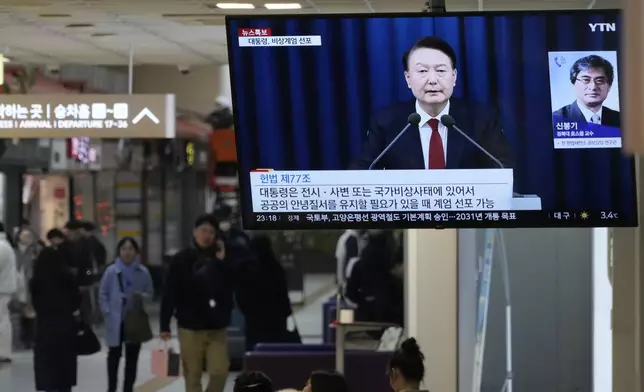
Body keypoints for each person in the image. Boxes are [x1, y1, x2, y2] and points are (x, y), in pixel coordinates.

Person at [352, 35, 513, 170]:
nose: (432, 80)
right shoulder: (385, 122)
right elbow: (362, 171)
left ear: (454, 77)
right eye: (422, 71)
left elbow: (504, 168)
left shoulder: (482, 119)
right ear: (408, 78)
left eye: (441, 71)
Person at [160, 214, 233, 392]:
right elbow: (170, 293)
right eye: (203, 231)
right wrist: (164, 324)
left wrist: (221, 263)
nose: (207, 235)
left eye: (211, 232)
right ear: (194, 232)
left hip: (216, 327)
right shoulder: (181, 259)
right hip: (189, 327)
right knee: (192, 375)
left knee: (220, 371)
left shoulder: (222, 260)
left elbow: (230, 286)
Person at [99, 237, 154, 392]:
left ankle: (128, 388)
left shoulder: (143, 272)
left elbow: (150, 293)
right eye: (124, 249)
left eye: (130, 249)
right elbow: (102, 293)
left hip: (134, 320)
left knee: (132, 359)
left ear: (136, 252)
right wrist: (108, 312)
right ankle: (111, 388)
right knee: (113, 357)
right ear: (119, 251)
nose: (127, 252)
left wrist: (140, 297)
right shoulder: (111, 271)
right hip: (116, 320)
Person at [31, 245, 81, 392]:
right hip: (66, 327)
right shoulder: (67, 277)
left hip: (44, 329)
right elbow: (76, 299)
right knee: (64, 368)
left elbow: (36, 304)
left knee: (47, 369)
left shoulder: (36, 282)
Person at [237, 235, 293, 351]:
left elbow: (241, 295)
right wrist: (285, 312)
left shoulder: (248, 269)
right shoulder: (275, 268)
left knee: (256, 354)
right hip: (276, 321)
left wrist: (248, 311)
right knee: (275, 354)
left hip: (254, 321)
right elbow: (283, 295)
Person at [345, 230, 403, 326]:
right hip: (391, 317)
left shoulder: (359, 265)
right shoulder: (390, 267)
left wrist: (365, 301)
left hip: (367, 316)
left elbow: (350, 292)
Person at [552, 54, 620, 128]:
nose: (593, 87)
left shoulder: (619, 119)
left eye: (600, 81)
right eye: (585, 80)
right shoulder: (556, 120)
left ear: (609, 86)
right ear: (573, 84)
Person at [14, 228, 38, 349]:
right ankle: (21, 338)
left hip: (29, 284)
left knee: (30, 312)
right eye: (25, 236)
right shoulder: (14, 251)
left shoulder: (35, 251)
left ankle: (29, 339)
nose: (27, 238)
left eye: (29, 236)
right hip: (17, 283)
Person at [0, 222, 17, 364]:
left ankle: (3, 353)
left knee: (2, 321)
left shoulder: (1, 246)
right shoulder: (5, 245)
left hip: (2, 289)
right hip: (4, 288)